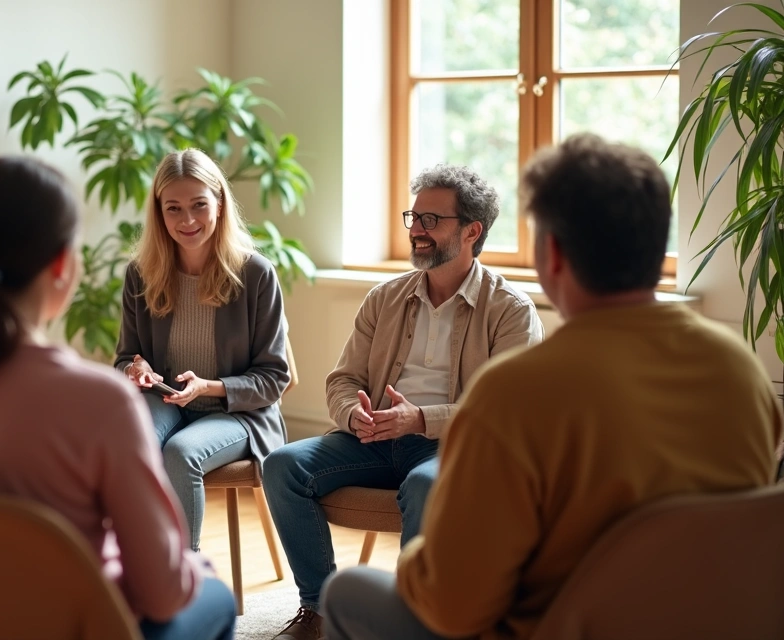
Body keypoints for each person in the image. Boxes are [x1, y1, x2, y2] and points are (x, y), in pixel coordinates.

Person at [321, 133, 784, 640]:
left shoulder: (515, 394)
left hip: (565, 628)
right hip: (713, 623)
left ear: (553, 254)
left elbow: (453, 608)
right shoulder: (739, 371)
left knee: (347, 593)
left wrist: (418, 564)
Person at [0, 156, 236, 639]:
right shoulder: (99, 401)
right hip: (61, 625)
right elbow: (162, 592)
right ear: (63, 264)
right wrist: (193, 567)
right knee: (211, 594)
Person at [264, 163, 544, 640]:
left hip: (450, 448)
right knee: (283, 466)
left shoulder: (511, 311)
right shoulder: (383, 298)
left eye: (431, 220)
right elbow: (343, 378)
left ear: (472, 231)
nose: (416, 229)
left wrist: (419, 419)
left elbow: (505, 416)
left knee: (424, 486)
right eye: (413, 217)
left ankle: (414, 620)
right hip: (372, 438)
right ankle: (319, 608)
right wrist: (355, 413)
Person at [115, 148, 290, 552]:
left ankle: (183, 577)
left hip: (238, 414)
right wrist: (135, 367)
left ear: (220, 203)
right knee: (129, 438)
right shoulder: (141, 273)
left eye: (198, 205)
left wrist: (208, 387)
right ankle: (135, 562)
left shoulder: (255, 274)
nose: (187, 220)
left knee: (180, 453)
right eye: (173, 208)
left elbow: (274, 378)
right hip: (168, 403)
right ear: (159, 213)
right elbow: (125, 356)